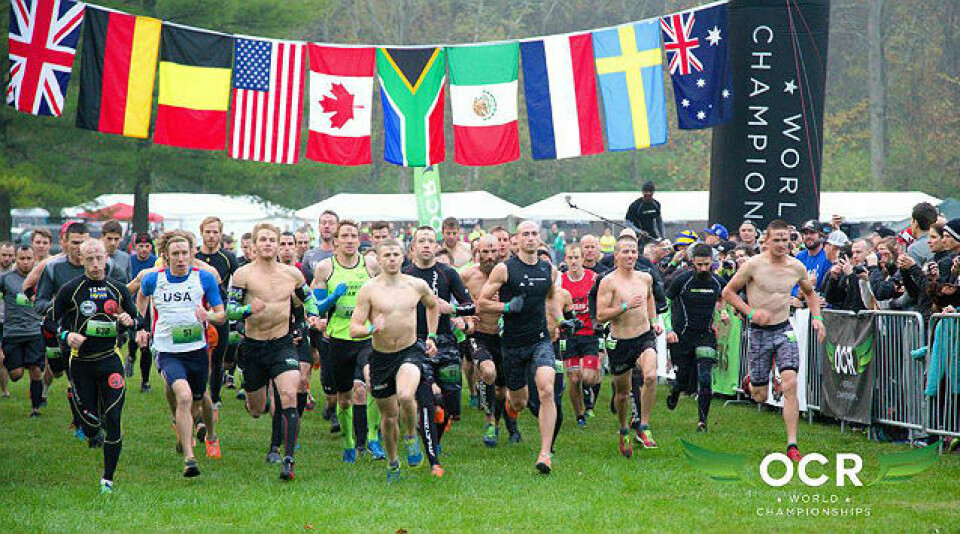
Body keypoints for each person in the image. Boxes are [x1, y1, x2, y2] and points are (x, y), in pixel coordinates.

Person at [722, 219, 825, 462]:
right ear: (766, 241)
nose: (781, 244)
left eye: (785, 239)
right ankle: (752, 382)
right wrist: (750, 313)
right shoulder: (753, 265)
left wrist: (817, 318)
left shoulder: (796, 266)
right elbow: (727, 292)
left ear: (791, 241)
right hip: (759, 331)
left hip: (784, 329)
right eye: (776, 240)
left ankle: (792, 445)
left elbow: (810, 294)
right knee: (759, 394)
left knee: (790, 383)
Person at [52, 239, 146, 494]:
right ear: (81, 260)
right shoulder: (70, 290)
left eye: (99, 258)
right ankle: (89, 422)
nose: (95, 264)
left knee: (114, 419)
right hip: (81, 364)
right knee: (91, 425)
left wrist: (128, 321)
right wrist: (66, 336)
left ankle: (108, 479)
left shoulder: (117, 289)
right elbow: (48, 323)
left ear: (107, 259)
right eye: (89, 259)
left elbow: (139, 320)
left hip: (110, 360)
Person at [228, 223, 321, 480]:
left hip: (282, 344)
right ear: (254, 245)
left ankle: (288, 460)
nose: (268, 244)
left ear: (279, 244)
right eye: (263, 239)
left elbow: (309, 298)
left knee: (290, 393)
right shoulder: (242, 275)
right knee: (257, 409)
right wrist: (248, 310)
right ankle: (245, 382)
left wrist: (313, 315)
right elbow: (230, 311)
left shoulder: (292, 274)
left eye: (272, 240)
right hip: (254, 346)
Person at [349, 238, 439, 480]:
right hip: (381, 357)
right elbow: (354, 329)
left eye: (395, 255)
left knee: (406, 395)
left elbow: (433, 306)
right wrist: (371, 328)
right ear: (378, 259)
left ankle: (411, 437)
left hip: (410, 351)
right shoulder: (369, 289)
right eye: (386, 255)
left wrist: (431, 335)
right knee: (389, 418)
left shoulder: (416, 285)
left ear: (403, 258)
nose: (391, 259)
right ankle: (392, 462)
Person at [139, 231, 226, 477]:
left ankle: (206, 435)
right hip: (168, 351)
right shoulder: (153, 279)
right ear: (165, 255)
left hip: (197, 350)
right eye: (175, 254)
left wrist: (207, 316)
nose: (180, 259)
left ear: (192, 254)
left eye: (184, 253)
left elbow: (221, 314)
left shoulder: (204, 279)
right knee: (184, 397)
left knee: (199, 402)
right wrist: (141, 326)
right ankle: (189, 457)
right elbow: (142, 298)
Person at [479, 221, 559, 474]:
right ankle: (508, 409)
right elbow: (481, 303)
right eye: (526, 234)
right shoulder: (504, 270)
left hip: (540, 341)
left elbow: (551, 298)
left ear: (540, 239)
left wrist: (562, 318)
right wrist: (505, 307)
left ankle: (545, 453)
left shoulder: (549, 269)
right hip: (512, 345)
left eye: (535, 234)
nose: (531, 238)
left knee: (546, 388)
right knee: (518, 403)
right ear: (517, 240)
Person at [35, 222, 124, 437]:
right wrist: (63, 305)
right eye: (75, 243)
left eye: (83, 242)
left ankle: (96, 420)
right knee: (72, 379)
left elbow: (123, 292)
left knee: (104, 383)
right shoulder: (54, 267)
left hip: (104, 333)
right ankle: (82, 424)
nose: (79, 247)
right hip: (70, 335)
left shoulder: (106, 266)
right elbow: (40, 303)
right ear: (64, 242)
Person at [311, 220, 381, 463]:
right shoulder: (324, 268)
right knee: (344, 398)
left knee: (366, 385)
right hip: (338, 337)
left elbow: (383, 294)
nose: (351, 240)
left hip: (366, 335)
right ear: (336, 240)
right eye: (346, 236)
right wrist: (334, 296)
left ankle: (371, 439)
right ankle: (349, 443)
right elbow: (316, 307)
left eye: (354, 235)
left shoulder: (370, 264)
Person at [403, 226, 474, 454]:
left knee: (450, 401)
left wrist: (451, 308)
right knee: (427, 397)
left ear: (436, 246)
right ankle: (426, 443)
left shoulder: (448, 273)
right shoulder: (405, 275)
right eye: (421, 241)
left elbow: (471, 305)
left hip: (446, 342)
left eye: (430, 241)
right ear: (413, 247)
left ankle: (437, 436)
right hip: (415, 342)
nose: (425, 245)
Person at [596, 235, 662, 458]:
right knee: (623, 394)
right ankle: (624, 428)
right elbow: (600, 315)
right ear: (616, 255)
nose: (630, 256)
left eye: (633, 251)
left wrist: (654, 321)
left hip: (644, 336)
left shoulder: (646, 278)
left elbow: (650, 299)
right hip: (620, 341)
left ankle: (644, 426)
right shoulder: (608, 282)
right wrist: (624, 306)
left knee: (651, 376)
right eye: (625, 252)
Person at [664, 244, 728, 432]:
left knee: (705, 378)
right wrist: (669, 329)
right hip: (682, 335)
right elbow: (665, 305)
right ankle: (675, 392)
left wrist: (723, 310)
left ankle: (702, 422)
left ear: (712, 262)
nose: (702, 269)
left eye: (706, 264)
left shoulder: (717, 281)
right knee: (683, 379)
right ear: (692, 262)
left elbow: (726, 295)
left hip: (705, 335)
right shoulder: (681, 280)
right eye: (699, 264)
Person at [460, 235, 517, 447]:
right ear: (477, 253)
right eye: (485, 252)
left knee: (503, 390)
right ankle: (490, 421)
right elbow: (452, 301)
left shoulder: (511, 274)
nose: (490, 256)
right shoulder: (466, 275)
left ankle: (504, 422)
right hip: (479, 334)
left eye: (494, 252)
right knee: (488, 372)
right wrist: (463, 317)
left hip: (504, 336)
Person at [195, 217, 240, 410]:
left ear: (221, 234)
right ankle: (197, 392)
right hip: (197, 311)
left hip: (219, 311)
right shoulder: (193, 256)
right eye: (208, 232)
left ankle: (214, 396)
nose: (212, 236)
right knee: (198, 354)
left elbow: (238, 283)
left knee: (218, 356)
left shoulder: (228, 258)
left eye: (215, 232)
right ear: (201, 233)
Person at [558, 244, 599, 427]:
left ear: (583, 259)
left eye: (576, 258)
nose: (573, 261)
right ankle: (579, 415)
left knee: (588, 377)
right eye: (570, 258)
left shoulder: (593, 278)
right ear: (566, 260)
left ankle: (588, 392)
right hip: (570, 336)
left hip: (590, 334)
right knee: (573, 378)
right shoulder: (561, 281)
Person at [1, 245, 45, 415]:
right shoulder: (6, 279)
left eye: (28, 258)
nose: (25, 262)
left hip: (34, 332)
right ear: (15, 259)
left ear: (34, 259)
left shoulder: (42, 279)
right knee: (16, 374)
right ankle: (21, 363)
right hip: (12, 333)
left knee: (35, 370)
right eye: (21, 259)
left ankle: (35, 408)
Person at [126, 232, 157, 391]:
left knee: (146, 344)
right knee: (133, 339)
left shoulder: (156, 262)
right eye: (140, 246)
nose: (144, 249)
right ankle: (130, 357)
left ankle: (145, 382)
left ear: (151, 247)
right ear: (135, 246)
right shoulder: (129, 261)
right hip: (132, 308)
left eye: (147, 246)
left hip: (150, 309)